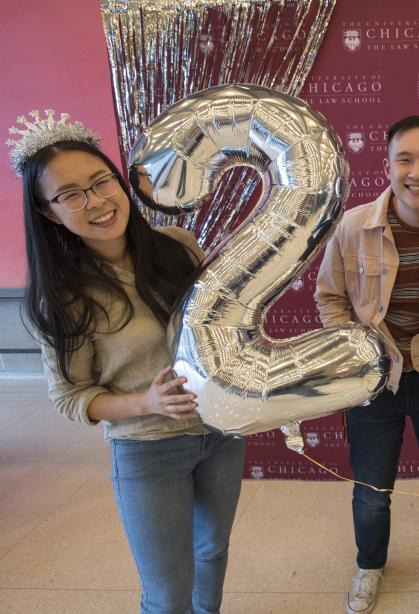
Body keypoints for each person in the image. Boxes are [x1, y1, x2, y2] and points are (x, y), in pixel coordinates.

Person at [9, 111, 245, 614]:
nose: (95, 201)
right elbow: (72, 398)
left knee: (212, 550)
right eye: (70, 194)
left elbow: (214, 330)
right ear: (49, 213)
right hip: (147, 451)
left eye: (101, 182)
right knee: (166, 594)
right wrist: (147, 400)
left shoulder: (179, 247)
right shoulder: (63, 295)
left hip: (220, 433)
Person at [314, 115, 419, 613]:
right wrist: (357, 357)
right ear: (386, 166)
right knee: (371, 488)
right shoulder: (351, 227)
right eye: (404, 159)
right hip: (373, 382)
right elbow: (330, 298)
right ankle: (369, 566)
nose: (416, 171)